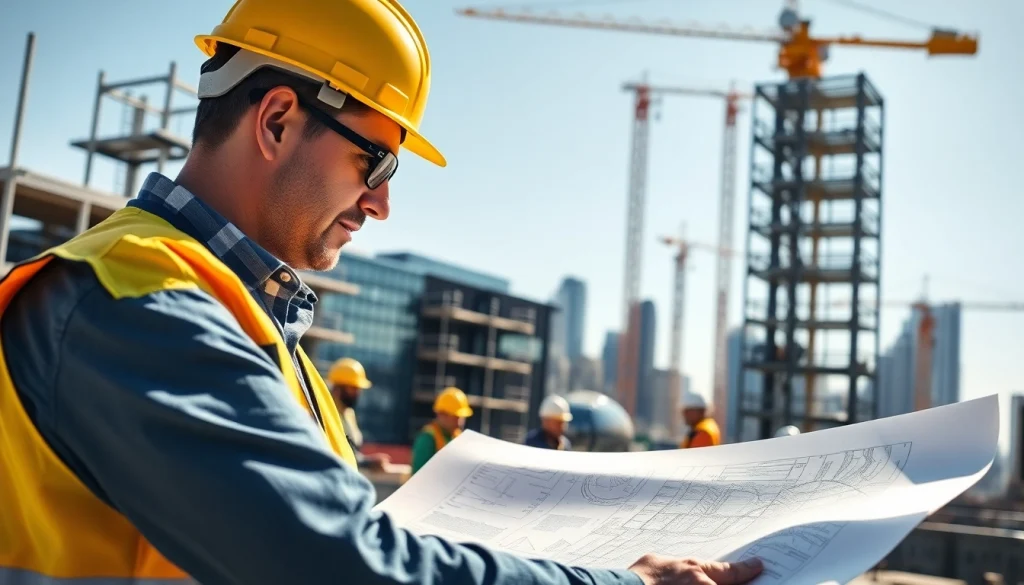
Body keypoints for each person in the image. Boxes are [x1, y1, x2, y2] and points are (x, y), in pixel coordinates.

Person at [0, 0, 763, 583]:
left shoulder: (256, 328)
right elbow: (342, 563)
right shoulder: (136, 300)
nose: (382, 203)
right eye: (376, 162)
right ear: (276, 120)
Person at [327, 357, 391, 471]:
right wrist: (367, 462)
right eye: (353, 388)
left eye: (358, 389)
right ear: (337, 388)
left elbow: (352, 449)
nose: (357, 393)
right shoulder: (327, 413)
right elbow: (335, 453)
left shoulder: (349, 413)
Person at [411, 386, 473, 475]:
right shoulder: (427, 439)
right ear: (442, 414)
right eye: (455, 417)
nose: (459, 422)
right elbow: (418, 475)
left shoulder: (458, 437)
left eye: (461, 417)